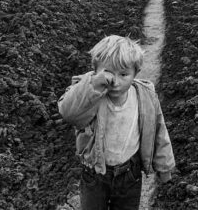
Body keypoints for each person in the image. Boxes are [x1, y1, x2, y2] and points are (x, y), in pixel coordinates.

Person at [58, 35, 175, 210]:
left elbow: (158, 130)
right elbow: (68, 112)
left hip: (130, 174)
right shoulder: (89, 94)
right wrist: (95, 84)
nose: (115, 82)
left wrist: (164, 166)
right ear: (95, 71)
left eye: (124, 74)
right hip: (95, 174)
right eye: (108, 73)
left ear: (136, 73)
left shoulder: (146, 97)